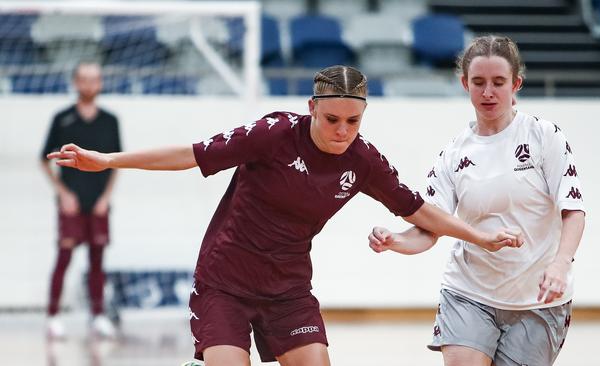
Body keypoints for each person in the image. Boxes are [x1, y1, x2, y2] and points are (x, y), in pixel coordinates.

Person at [47, 65, 522, 366]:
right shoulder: (274, 133)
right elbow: (191, 155)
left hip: (288, 289)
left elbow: (419, 210)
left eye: (353, 122)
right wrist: (109, 159)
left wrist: (478, 237)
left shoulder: (364, 161)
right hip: (225, 281)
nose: (342, 131)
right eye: (332, 119)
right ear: (312, 108)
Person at [368, 36, 586, 366]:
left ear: (516, 84)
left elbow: (574, 211)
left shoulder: (544, 136)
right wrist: (395, 240)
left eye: (498, 82)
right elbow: (430, 228)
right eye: (478, 82)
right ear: (464, 84)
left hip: (539, 301)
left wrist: (560, 264)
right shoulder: (453, 154)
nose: (488, 92)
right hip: (468, 292)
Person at [41, 62, 122, 339]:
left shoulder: (110, 121)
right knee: (64, 257)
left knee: (97, 260)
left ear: (100, 83)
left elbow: (116, 162)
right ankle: (52, 317)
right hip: (71, 204)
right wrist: (63, 193)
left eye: (94, 79)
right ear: (76, 82)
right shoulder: (62, 118)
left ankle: (97, 316)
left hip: (98, 203)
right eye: (84, 79)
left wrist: (106, 198)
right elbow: (44, 160)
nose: (89, 84)